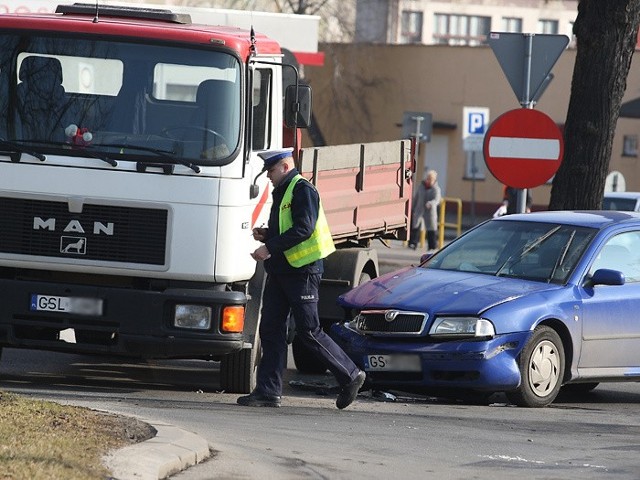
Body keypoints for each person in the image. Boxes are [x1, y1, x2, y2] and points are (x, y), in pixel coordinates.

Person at [238, 148, 366, 409]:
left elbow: (304, 229)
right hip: (283, 271)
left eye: (271, 171)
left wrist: (270, 247)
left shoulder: (302, 189)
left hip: (302, 271)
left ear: (285, 167)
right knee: (271, 329)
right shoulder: (285, 190)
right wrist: (268, 234)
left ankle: (351, 375)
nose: (268, 177)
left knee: (309, 331)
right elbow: (289, 226)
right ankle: (268, 391)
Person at [408, 169, 442, 251]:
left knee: (431, 228)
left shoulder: (436, 189)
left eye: (431, 179)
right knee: (415, 225)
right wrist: (412, 208)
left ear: (434, 180)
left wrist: (431, 203)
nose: (429, 181)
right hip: (419, 209)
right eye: (428, 179)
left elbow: (437, 200)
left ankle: (432, 245)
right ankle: (413, 243)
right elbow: (416, 197)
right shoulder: (421, 186)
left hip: (430, 211)